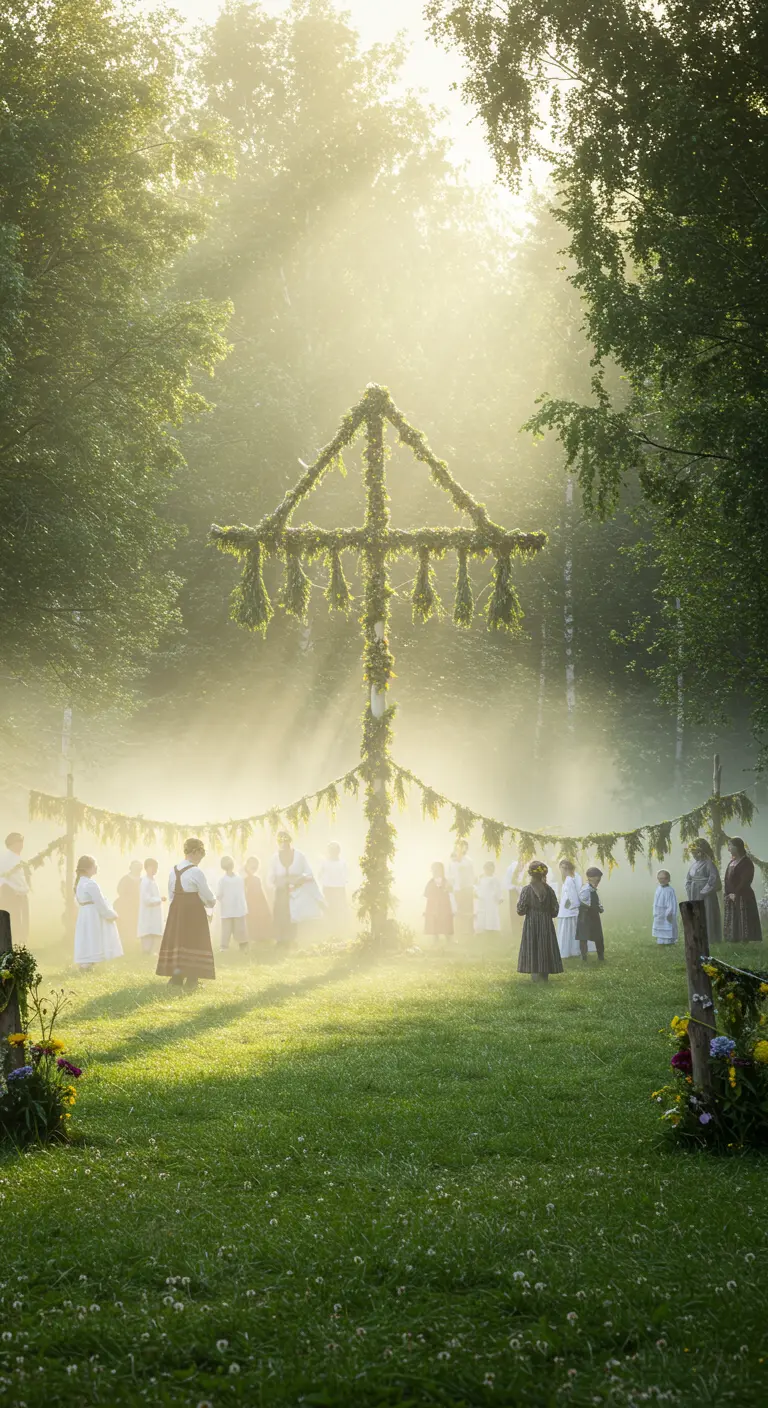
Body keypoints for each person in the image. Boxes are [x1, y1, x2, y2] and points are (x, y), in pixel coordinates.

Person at [156, 837, 216, 991]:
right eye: (201, 854)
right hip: (193, 910)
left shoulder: (173, 869)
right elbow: (208, 896)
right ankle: (192, 979)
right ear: (195, 852)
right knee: (194, 941)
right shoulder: (196, 871)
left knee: (179, 941)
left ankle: (176, 978)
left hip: (177, 909)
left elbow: (171, 893)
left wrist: (177, 906)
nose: (201, 859)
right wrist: (211, 904)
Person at [268, 831, 324, 946]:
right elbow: (270, 877)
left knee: (293, 914)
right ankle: (280, 940)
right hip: (281, 892)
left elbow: (308, 874)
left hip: (296, 891)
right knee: (280, 914)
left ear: (290, 841)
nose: (284, 844)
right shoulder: (274, 858)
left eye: (286, 841)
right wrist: (280, 882)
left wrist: (298, 881)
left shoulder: (300, 856)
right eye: (281, 842)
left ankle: (292, 939)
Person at [73, 855, 123, 970]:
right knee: (92, 937)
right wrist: (111, 914)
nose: (96, 867)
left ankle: (85, 964)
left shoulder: (80, 883)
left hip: (85, 914)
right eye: (94, 865)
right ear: (87, 868)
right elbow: (100, 903)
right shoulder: (90, 884)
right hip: (92, 916)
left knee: (87, 937)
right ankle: (87, 964)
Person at [516, 860, 563, 982]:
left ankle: (535, 976)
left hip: (531, 923)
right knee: (545, 946)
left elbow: (520, 910)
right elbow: (555, 911)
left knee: (533, 946)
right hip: (546, 922)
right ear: (544, 875)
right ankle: (544, 976)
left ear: (531, 874)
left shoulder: (526, 890)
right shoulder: (549, 890)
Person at [724, 837, 762, 943]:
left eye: (730, 846)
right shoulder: (731, 862)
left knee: (743, 917)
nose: (729, 849)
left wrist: (736, 893)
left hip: (743, 895)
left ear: (737, 847)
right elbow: (726, 879)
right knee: (733, 918)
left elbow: (745, 880)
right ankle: (733, 938)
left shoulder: (746, 863)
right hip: (731, 895)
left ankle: (744, 939)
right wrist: (728, 893)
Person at [685, 837, 723, 946]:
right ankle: (698, 936)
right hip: (694, 893)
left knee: (707, 913)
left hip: (706, 895)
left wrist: (703, 892)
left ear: (701, 852)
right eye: (692, 852)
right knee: (696, 914)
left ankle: (710, 937)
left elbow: (713, 879)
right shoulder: (693, 865)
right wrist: (690, 888)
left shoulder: (709, 863)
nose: (693, 855)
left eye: (695, 852)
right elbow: (688, 879)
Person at [0, 832, 30, 942]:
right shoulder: (5, 858)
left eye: (22, 842)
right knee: (14, 920)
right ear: (11, 844)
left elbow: (20, 877)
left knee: (22, 919)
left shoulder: (18, 858)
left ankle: (21, 942)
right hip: (11, 894)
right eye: (19, 842)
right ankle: (14, 943)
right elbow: (2, 877)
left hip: (20, 893)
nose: (21, 845)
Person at [217, 855, 249, 951]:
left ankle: (224, 947)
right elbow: (243, 891)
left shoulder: (222, 880)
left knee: (226, 929)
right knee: (240, 928)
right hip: (238, 907)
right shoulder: (239, 879)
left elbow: (219, 894)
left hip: (227, 908)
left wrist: (219, 898)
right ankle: (243, 946)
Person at [318, 842, 349, 934]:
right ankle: (329, 930)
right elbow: (320, 874)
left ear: (338, 851)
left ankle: (339, 930)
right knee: (328, 909)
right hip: (328, 889)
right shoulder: (324, 862)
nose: (333, 852)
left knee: (339, 908)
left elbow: (346, 876)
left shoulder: (343, 862)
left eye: (335, 850)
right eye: (331, 850)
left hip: (339, 889)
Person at [557, 857, 584, 958]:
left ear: (567, 868)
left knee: (570, 929)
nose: (562, 871)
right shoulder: (570, 878)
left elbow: (573, 894)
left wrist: (574, 905)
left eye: (563, 868)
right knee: (570, 929)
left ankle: (570, 950)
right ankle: (571, 949)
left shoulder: (570, 879)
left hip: (569, 908)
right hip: (566, 908)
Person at [576, 866, 605, 961]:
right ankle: (583, 956)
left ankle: (601, 955)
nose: (598, 882)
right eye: (597, 880)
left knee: (598, 936)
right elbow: (586, 902)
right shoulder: (585, 890)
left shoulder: (592, 889)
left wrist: (600, 907)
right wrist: (595, 907)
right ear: (591, 878)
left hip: (593, 915)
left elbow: (596, 901)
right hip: (585, 915)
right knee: (583, 936)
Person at [447, 840, 475, 937]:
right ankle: (459, 931)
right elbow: (451, 875)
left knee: (469, 910)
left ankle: (470, 931)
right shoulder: (452, 861)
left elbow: (470, 873)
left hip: (467, 888)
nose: (463, 849)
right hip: (457, 889)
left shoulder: (468, 860)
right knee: (459, 910)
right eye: (460, 847)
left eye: (465, 847)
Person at [424, 861, 454, 946]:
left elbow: (450, 890)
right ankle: (435, 940)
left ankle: (449, 940)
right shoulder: (431, 882)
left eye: (436, 870)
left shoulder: (445, 882)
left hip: (444, 906)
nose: (435, 872)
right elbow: (427, 894)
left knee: (445, 922)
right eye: (434, 871)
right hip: (434, 906)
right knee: (435, 924)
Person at [138, 858, 164, 955]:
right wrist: (159, 899)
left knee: (155, 932)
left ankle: (152, 953)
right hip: (148, 912)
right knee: (148, 932)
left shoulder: (153, 881)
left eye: (156, 868)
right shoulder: (145, 882)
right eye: (153, 868)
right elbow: (146, 899)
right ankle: (146, 953)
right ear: (147, 868)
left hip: (154, 912)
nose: (155, 870)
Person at [243, 857, 272, 944]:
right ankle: (251, 936)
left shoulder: (256, 879)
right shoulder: (242, 878)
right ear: (247, 865)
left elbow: (260, 893)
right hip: (247, 901)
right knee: (250, 918)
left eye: (255, 868)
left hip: (257, 902)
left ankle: (260, 936)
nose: (253, 870)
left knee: (259, 917)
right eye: (252, 868)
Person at [114, 860, 142, 948]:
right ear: (131, 868)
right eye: (136, 867)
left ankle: (135, 942)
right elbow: (120, 890)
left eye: (139, 868)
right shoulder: (125, 879)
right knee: (126, 923)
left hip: (138, 905)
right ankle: (125, 942)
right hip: (126, 905)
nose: (137, 870)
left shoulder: (142, 880)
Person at [474, 861, 504, 933]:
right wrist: (477, 893)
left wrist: (500, 898)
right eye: (487, 869)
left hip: (491, 900)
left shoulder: (494, 879)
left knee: (491, 914)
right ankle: (482, 929)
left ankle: (491, 929)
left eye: (490, 869)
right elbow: (478, 887)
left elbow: (498, 889)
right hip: (483, 900)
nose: (488, 871)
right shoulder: (481, 878)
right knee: (483, 915)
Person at [652, 869, 678, 945]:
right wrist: (655, 911)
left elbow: (672, 903)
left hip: (667, 912)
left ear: (668, 879)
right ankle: (660, 940)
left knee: (667, 925)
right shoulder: (658, 889)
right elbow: (655, 901)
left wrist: (669, 912)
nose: (662, 880)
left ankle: (669, 941)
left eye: (664, 878)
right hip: (659, 912)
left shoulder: (670, 890)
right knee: (660, 926)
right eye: (660, 878)